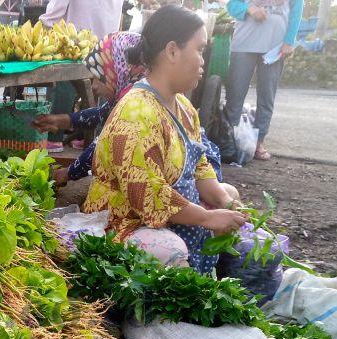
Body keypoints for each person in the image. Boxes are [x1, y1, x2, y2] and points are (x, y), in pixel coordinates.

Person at [84, 5, 245, 274]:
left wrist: (227, 206)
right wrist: (207, 218)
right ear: (172, 51)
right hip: (125, 222)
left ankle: (204, 272)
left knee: (228, 193)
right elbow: (147, 196)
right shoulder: (135, 113)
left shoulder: (183, 108)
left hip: (167, 212)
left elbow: (201, 169)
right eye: (200, 49)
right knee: (169, 250)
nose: (203, 60)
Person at [32, 32, 146, 185]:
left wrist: (67, 173)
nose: (94, 86)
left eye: (99, 78)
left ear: (119, 71)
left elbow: (103, 146)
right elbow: (101, 113)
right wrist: (59, 120)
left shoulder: (134, 101)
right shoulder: (129, 90)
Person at [39, 0, 125, 152]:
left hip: (76, 43)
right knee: (103, 92)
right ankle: (94, 139)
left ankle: (54, 139)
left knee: (64, 83)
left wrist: (43, 27)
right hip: (106, 45)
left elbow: (54, 11)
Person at [224, 0, 303, 161]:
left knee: (267, 95)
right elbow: (232, 5)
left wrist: (289, 41)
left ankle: (258, 142)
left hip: (275, 47)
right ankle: (228, 141)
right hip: (244, 44)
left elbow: (296, 12)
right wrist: (249, 8)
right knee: (235, 95)